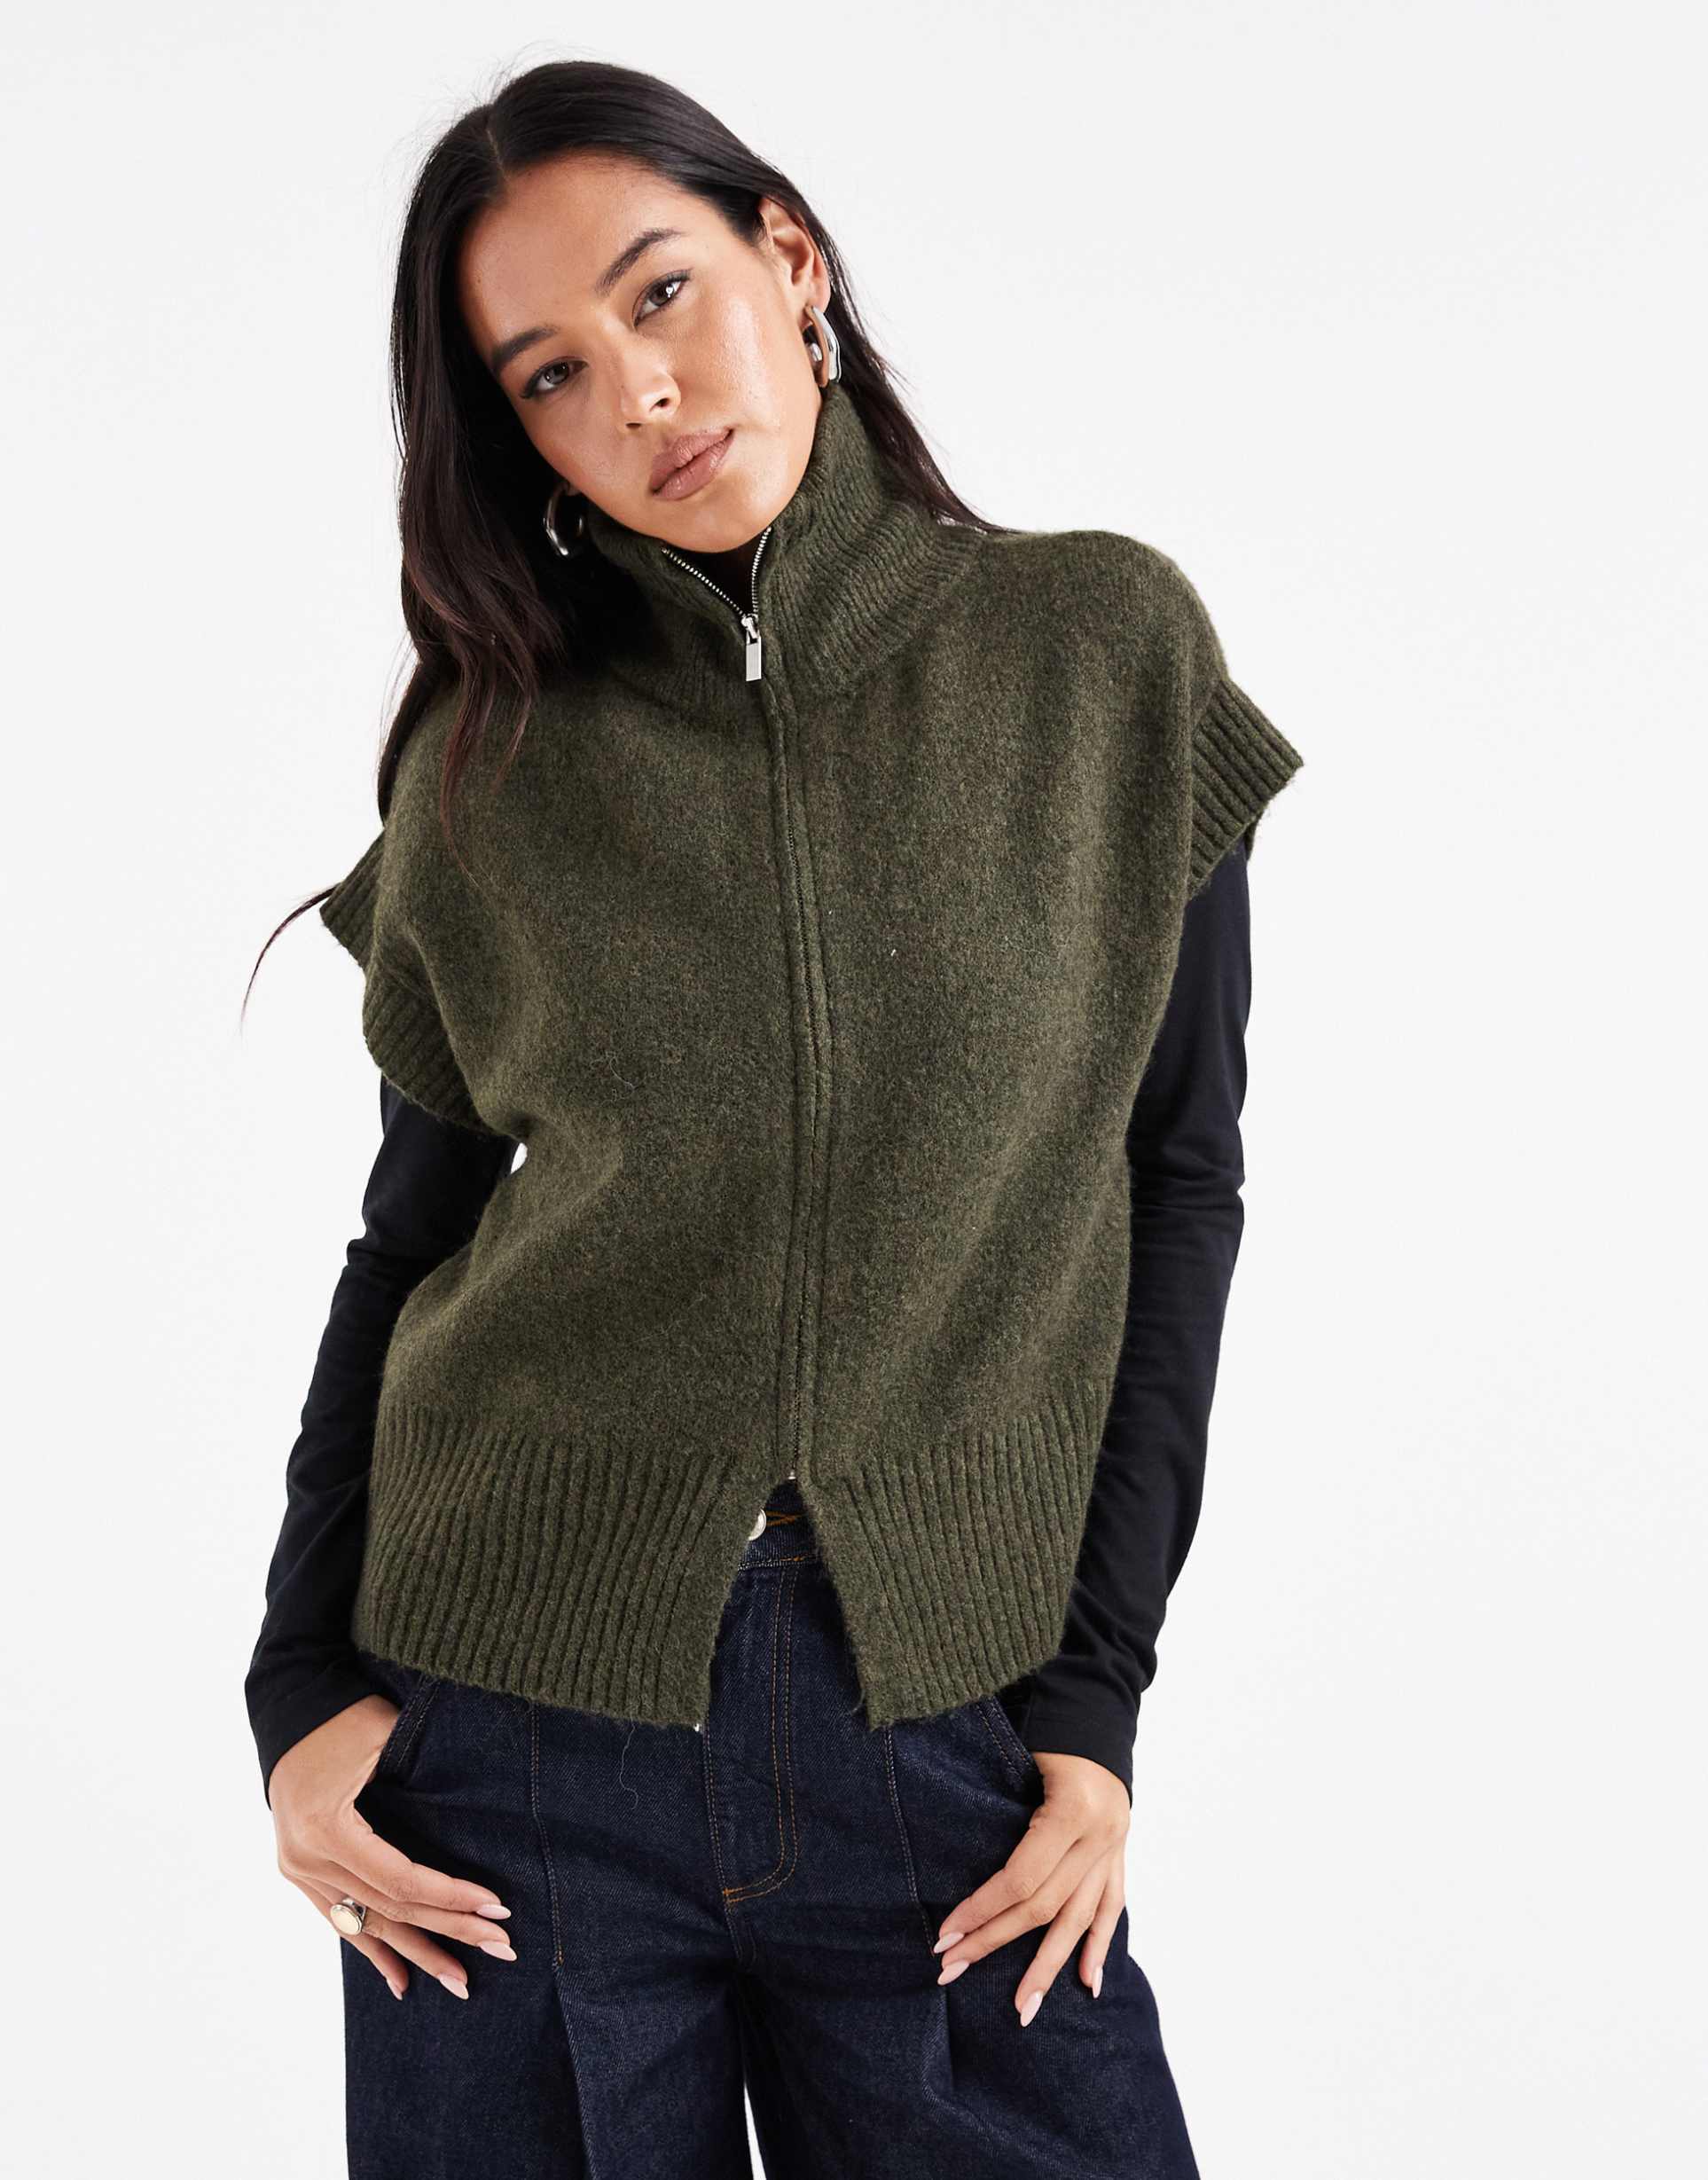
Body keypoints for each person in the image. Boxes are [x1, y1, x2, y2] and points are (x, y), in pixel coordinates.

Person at [244, 57, 1303, 2179]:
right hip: (512, 1740)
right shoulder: (488, 760)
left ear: (791, 262)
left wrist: (1092, 1704)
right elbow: (414, 1238)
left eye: (662, 293)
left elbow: (1178, 1181)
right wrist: (297, 1687)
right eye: (549, 372)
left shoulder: (1100, 651)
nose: (637, 389)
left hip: (943, 1716)